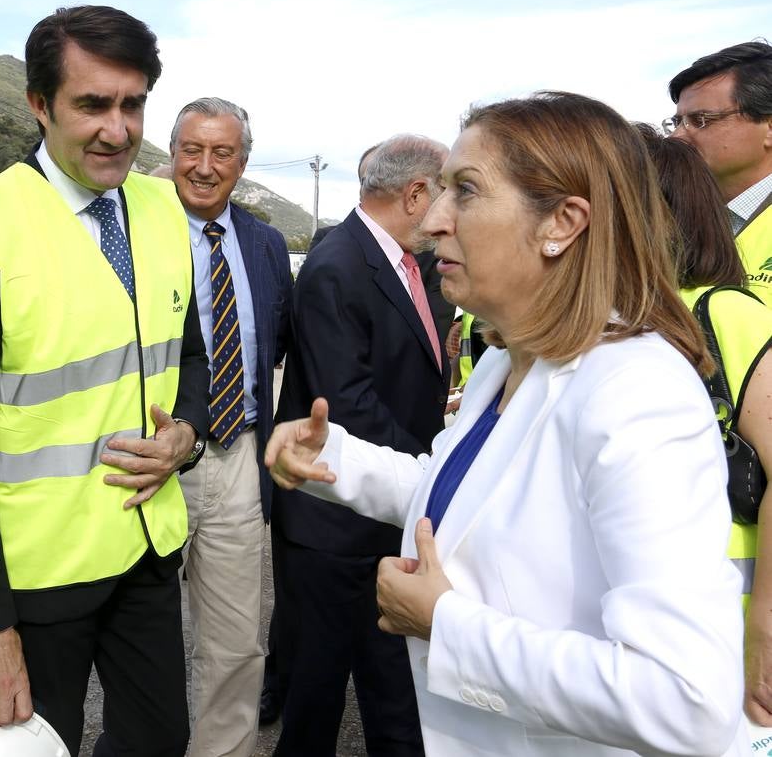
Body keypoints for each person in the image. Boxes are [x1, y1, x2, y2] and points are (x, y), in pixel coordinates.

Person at [268, 91, 745, 755]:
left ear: (561, 224)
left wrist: (447, 626)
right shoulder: (505, 362)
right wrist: (338, 461)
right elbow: (478, 506)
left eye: (464, 191)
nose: (434, 219)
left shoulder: (634, 392)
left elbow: (684, 699)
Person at [0, 5, 210, 757]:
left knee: (157, 742)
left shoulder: (159, 205)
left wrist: (186, 434)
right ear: (38, 105)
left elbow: (191, 357)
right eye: (92, 105)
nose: (118, 129)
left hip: (146, 552)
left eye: (133, 104)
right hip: (38, 578)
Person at [271, 133, 449, 756]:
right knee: (318, 691)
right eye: (449, 192)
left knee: (390, 688)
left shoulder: (402, 261)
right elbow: (348, 404)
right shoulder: (336, 266)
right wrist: (435, 473)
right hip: (332, 523)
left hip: (379, 509)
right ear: (416, 192)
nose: (450, 212)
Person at [168, 97, 291, 757]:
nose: (204, 166)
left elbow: (284, 345)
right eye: (192, 149)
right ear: (171, 153)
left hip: (240, 454)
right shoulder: (133, 231)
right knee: (145, 639)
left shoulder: (266, 244)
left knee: (236, 641)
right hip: (156, 459)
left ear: (242, 163)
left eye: (221, 153)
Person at [639, 123, 772, 727]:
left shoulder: (723, 310)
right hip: (657, 614)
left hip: (731, 620)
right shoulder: (632, 319)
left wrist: (765, 623)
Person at [667, 41, 772, 299]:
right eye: (677, 122)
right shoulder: (667, 217)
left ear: (769, 128)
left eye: (701, 120)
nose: (677, 137)